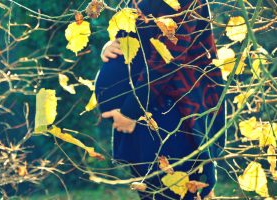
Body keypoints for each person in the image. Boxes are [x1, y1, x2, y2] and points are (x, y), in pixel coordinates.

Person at [95, 0, 226, 199]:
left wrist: (130, 112)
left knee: (176, 193)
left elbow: (166, 62)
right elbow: (140, 37)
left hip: (174, 118)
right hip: (145, 119)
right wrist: (113, 44)